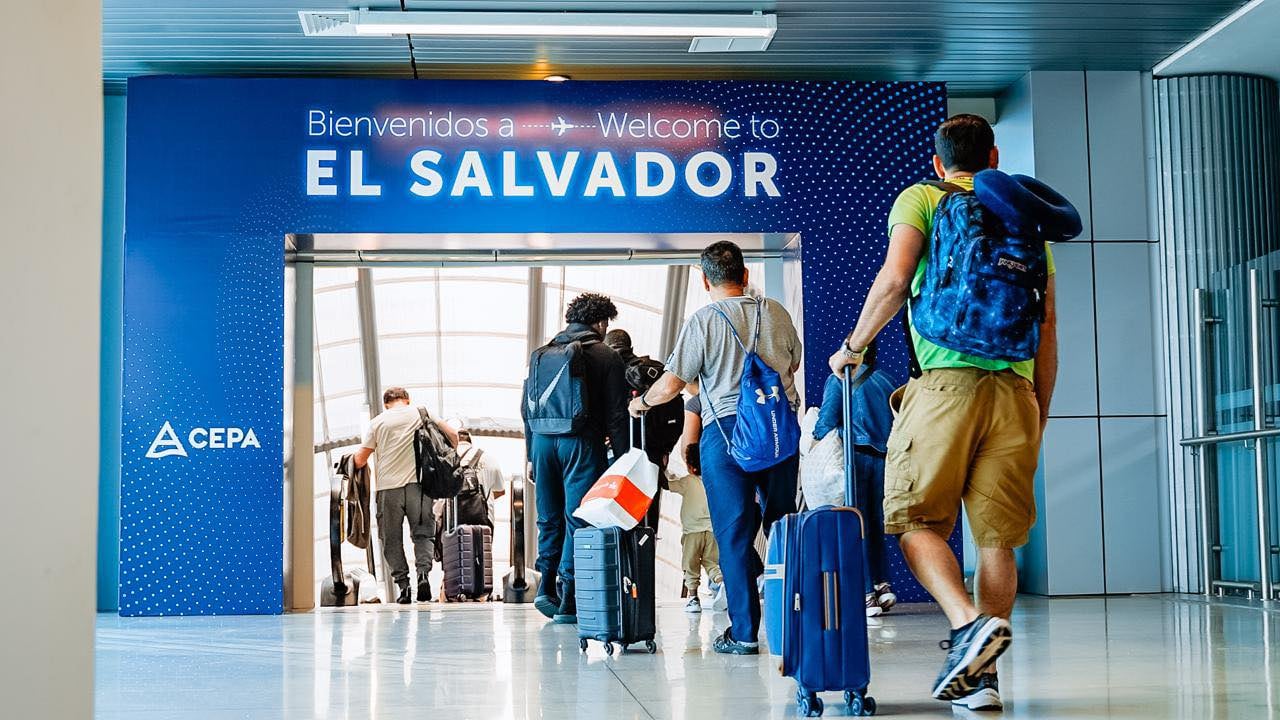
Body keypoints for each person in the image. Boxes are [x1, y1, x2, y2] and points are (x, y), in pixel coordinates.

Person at [828, 114, 1059, 711]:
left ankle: (967, 625)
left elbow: (895, 279)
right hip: (1015, 393)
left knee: (916, 523)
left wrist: (852, 347)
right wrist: (1038, 410)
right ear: (994, 157)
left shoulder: (924, 197)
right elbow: (1047, 326)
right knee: (997, 540)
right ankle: (982, 681)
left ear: (938, 161)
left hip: (943, 388)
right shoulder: (1027, 217)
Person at [628, 240, 803, 655]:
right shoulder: (776, 312)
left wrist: (642, 402)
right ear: (745, 275)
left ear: (705, 281)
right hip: (778, 430)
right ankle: (793, 624)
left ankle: (744, 634)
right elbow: (793, 362)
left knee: (733, 534)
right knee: (783, 526)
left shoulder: (703, 320)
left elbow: (671, 384)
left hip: (727, 434)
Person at [523, 293, 631, 624]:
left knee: (548, 517)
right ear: (601, 322)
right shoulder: (606, 356)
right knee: (577, 517)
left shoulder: (542, 353)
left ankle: (545, 586)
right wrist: (623, 460)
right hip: (581, 444)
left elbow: (526, 408)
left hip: (542, 442)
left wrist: (531, 454)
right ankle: (568, 597)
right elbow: (617, 414)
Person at [812, 353, 901, 617]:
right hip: (884, 460)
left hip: (854, 458)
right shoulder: (887, 380)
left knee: (855, 525)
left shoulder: (839, 379)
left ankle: (865, 594)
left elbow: (826, 421)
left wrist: (813, 438)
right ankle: (883, 585)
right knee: (875, 524)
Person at [354, 386, 460, 605]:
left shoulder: (377, 422)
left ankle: (404, 586)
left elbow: (360, 460)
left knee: (391, 539)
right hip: (418, 487)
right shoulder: (421, 412)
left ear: (386, 404)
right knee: (423, 535)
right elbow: (453, 435)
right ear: (407, 400)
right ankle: (423, 575)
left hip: (388, 489)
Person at [604, 327, 684, 529]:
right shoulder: (653, 372)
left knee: (613, 511)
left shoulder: (605, 370)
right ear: (631, 348)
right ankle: (645, 545)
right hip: (652, 455)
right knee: (646, 510)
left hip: (615, 454)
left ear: (606, 347)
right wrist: (665, 449)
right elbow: (674, 413)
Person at [669, 387, 726, 614]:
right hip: (712, 531)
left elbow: (668, 484)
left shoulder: (687, 481)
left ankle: (693, 598)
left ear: (691, 466)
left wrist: (663, 468)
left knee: (690, 565)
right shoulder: (716, 481)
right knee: (712, 564)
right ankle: (722, 585)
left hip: (692, 533)